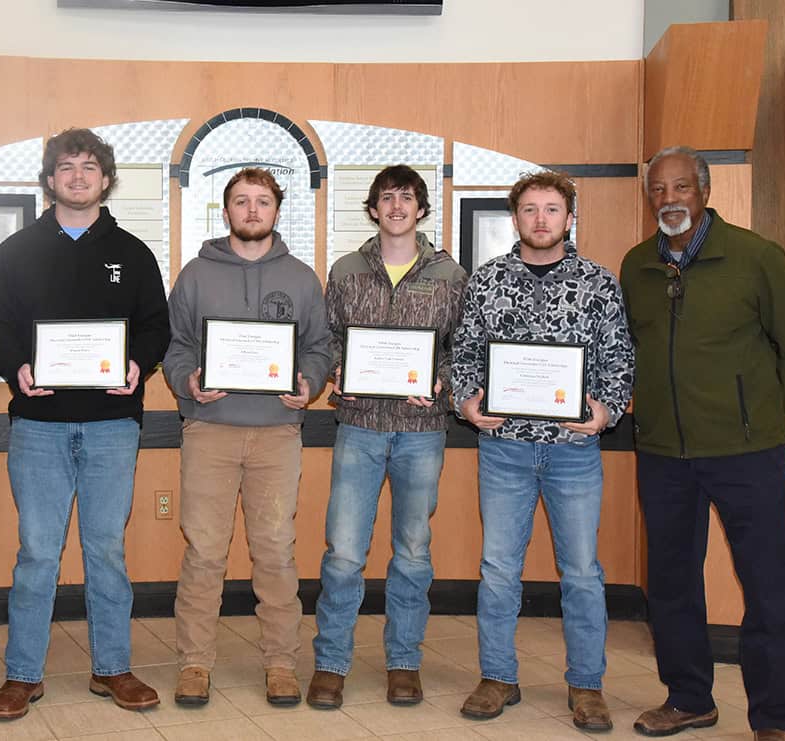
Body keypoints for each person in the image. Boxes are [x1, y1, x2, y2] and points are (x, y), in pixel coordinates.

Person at [621, 146, 785, 741]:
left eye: (680, 187)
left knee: (766, 583)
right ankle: (688, 698)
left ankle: (776, 718)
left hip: (745, 454)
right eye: (658, 190)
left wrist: (755, 417)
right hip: (662, 455)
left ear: (704, 191)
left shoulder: (756, 257)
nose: (669, 199)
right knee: (673, 584)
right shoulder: (637, 265)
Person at [0, 128, 171, 717]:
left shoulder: (134, 253)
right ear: (49, 179)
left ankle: (112, 668)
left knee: (107, 550)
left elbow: (155, 327)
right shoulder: (16, 251)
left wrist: (138, 365)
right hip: (38, 423)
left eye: (89, 167)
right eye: (66, 167)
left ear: (106, 179)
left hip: (113, 422)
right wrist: (15, 366)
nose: (77, 177)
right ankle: (23, 674)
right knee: (37, 552)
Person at [451, 170, 633, 732]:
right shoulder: (486, 281)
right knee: (499, 569)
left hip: (573, 451)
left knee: (581, 572)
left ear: (569, 217)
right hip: (503, 448)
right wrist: (467, 404)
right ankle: (498, 676)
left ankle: (586, 685)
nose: (540, 220)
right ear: (515, 218)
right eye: (529, 209)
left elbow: (619, 362)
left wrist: (606, 412)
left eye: (551, 209)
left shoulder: (598, 284)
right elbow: (462, 357)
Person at [162, 167, 330, 707]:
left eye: (262, 201)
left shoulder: (303, 279)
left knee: (276, 552)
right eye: (241, 201)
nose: (252, 210)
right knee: (205, 551)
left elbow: (319, 348)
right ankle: (194, 662)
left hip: (277, 433)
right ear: (226, 210)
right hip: (209, 430)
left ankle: (281, 663)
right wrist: (186, 380)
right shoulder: (194, 275)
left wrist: (311, 382)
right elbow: (176, 345)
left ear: (277, 210)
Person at [307, 165, 466, 709]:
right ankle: (331, 663)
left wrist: (443, 381)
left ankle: (404, 662)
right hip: (359, 428)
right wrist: (337, 375)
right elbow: (327, 338)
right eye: (387, 198)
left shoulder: (449, 273)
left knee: (413, 553)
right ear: (373, 208)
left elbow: (461, 348)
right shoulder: (347, 269)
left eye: (407, 198)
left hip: (423, 431)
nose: (397, 206)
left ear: (422, 209)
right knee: (345, 553)